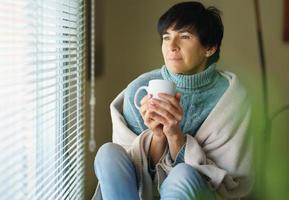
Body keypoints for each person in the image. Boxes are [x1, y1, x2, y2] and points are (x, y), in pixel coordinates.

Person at [93, 1, 253, 200]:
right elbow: (133, 172)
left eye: (184, 37)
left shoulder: (230, 99)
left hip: (203, 193)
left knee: (182, 174)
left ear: (210, 47)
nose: (172, 46)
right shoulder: (139, 91)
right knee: (107, 153)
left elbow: (227, 181)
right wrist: (157, 136)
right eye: (166, 37)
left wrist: (176, 136)